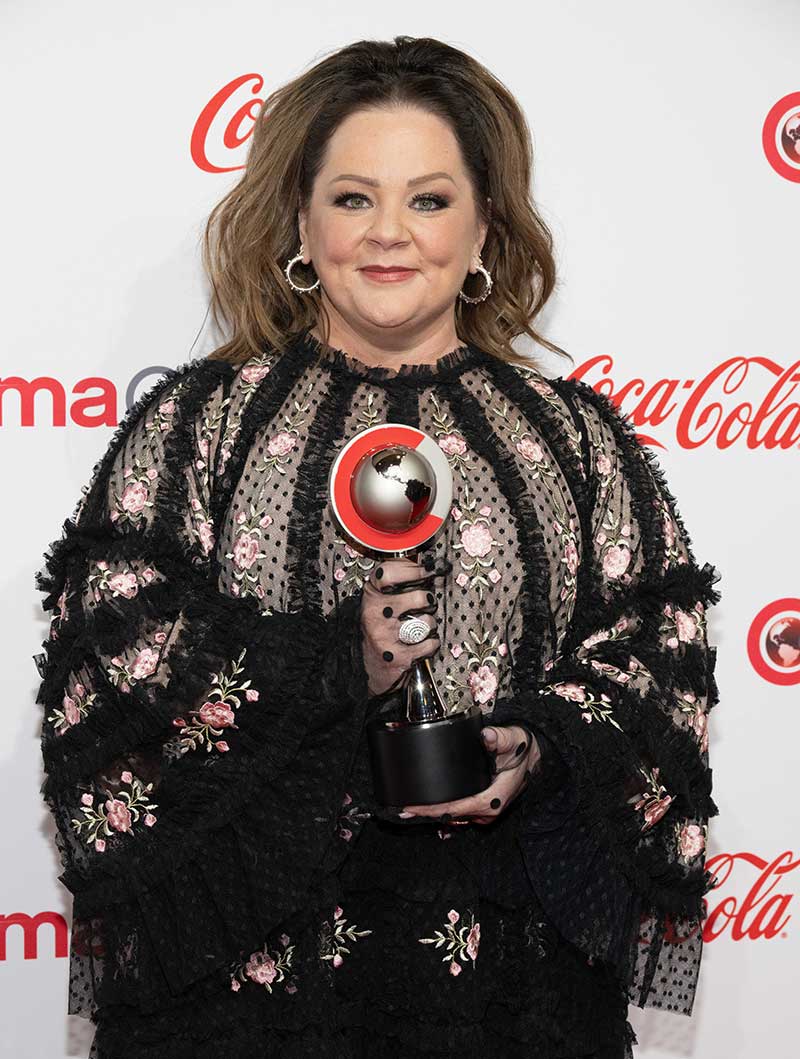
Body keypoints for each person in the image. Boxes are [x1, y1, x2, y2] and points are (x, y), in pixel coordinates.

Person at [34, 35, 722, 1059]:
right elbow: (111, 663)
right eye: (353, 198)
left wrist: (534, 746)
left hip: (505, 1004)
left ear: (485, 223)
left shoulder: (573, 440)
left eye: (430, 200)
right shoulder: (196, 429)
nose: (389, 233)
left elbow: (657, 666)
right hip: (238, 1009)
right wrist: (333, 665)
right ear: (299, 223)